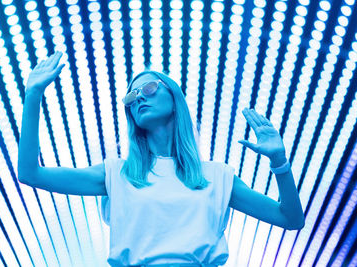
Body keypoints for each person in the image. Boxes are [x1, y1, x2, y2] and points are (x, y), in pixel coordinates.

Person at [18, 51, 305, 267]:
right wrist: (33, 96)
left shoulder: (216, 176)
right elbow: (31, 173)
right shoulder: (116, 174)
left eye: (149, 89)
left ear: (174, 98)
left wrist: (279, 162)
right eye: (131, 97)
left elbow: (290, 219)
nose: (139, 98)